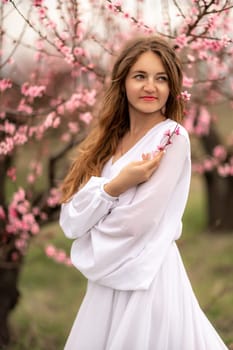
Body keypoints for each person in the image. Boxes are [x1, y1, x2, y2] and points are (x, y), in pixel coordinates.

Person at [59, 36, 229, 350]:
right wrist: (116, 185)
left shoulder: (171, 137)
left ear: (172, 87)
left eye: (161, 78)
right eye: (140, 76)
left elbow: (137, 222)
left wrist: (95, 214)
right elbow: (70, 220)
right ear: (122, 83)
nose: (151, 86)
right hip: (106, 282)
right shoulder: (109, 140)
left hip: (146, 275)